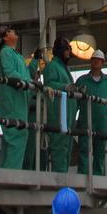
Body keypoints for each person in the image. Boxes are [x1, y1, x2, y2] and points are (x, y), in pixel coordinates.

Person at [75, 49, 107, 177]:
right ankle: (83, 176)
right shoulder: (82, 81)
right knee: (84, 150)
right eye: (94, 59)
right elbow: (74, 102)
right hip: (85, 121)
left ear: (102, 62)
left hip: (103, 123)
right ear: (91, 61)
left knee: (99, 152)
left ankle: (98, 177)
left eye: (99, 60)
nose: (96, 62)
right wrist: (68, 119)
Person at [0, 24, 30, 170]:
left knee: (12, 138)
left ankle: (6, 172)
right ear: (4, 38)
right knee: (17, 135)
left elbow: (24, 75)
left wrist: (34, 62)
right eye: (9, 31)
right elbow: (10, 73)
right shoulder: (6, 53)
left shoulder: (16, 55)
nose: (14, 31)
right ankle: (12, 175)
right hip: (12, 103)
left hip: (18, 103)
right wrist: (30, 83)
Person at [43, 36, 77, 172]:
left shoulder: (63, 68)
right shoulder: (52, 66)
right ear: (60, 51)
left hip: (67, 117)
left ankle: (63, 180)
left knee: (66, 150)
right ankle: (59, 182)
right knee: (59, 149)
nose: (69, 53)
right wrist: (65, 87)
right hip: (58, 117)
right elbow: (49, 84)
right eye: (67, 49)